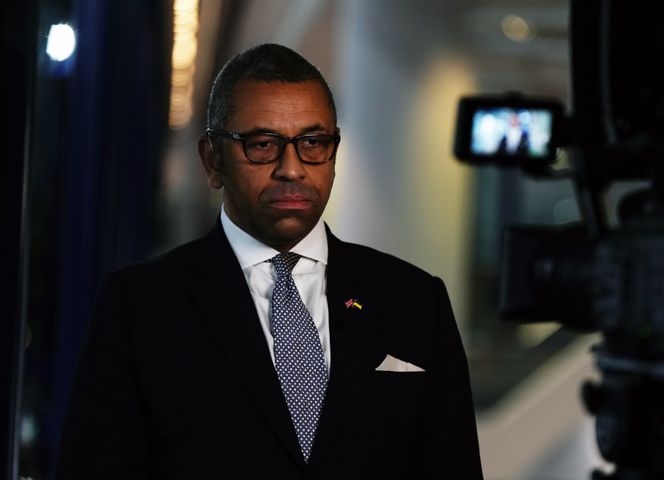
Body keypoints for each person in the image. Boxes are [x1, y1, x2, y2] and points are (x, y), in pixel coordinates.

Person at [55, 43, 483, 479]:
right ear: (212, 160)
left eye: (313, 142)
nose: (292, 169)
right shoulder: (140, 304)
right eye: (262, 144)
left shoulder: (414, 300)